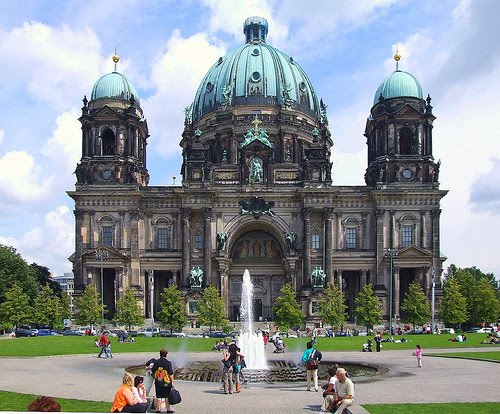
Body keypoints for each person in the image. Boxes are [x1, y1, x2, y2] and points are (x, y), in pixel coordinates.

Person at [152, 348, 175, 413]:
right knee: (167, 396)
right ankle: (168, 409)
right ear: (166, 354)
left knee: (158, 396)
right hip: (166, 382)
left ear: (160, 354)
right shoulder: (168, 363)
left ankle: (158, 409)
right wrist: (172, 381)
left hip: (158, 381)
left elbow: (153, 371)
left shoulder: (156, 362)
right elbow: (170, 373)